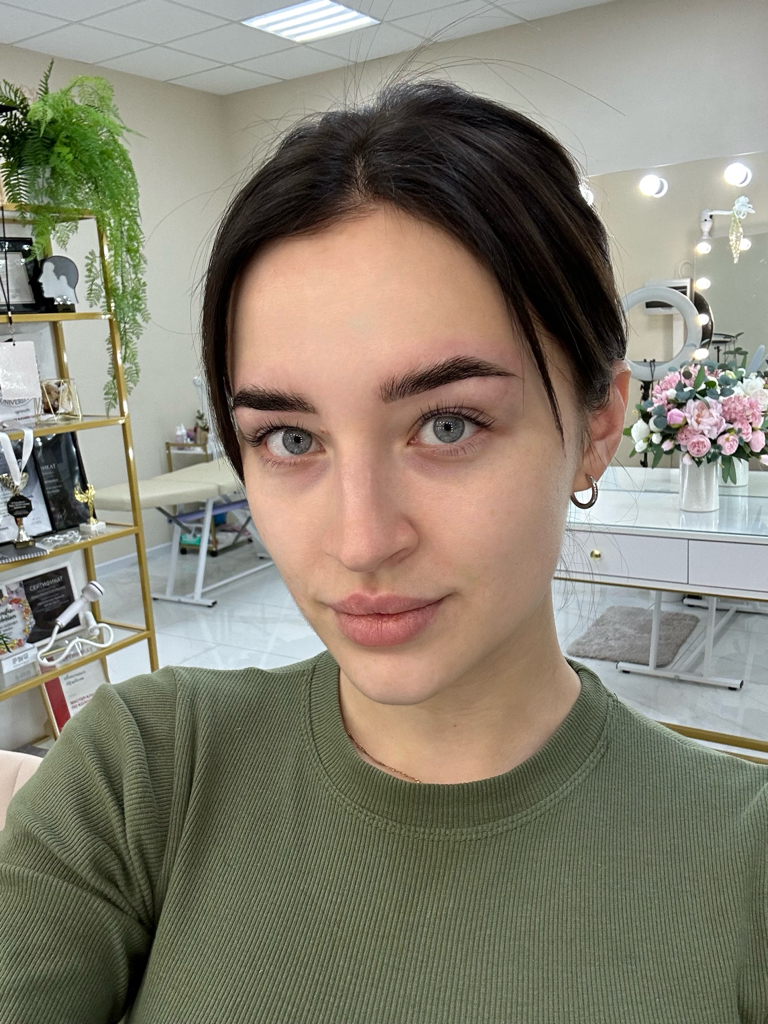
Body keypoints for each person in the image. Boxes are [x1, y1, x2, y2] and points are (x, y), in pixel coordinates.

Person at [0, 77, 766, 1024]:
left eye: (448, 425)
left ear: (598, 424)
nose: (361, 541)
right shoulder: (145, 772)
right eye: (290, 438)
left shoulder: (743, 867)